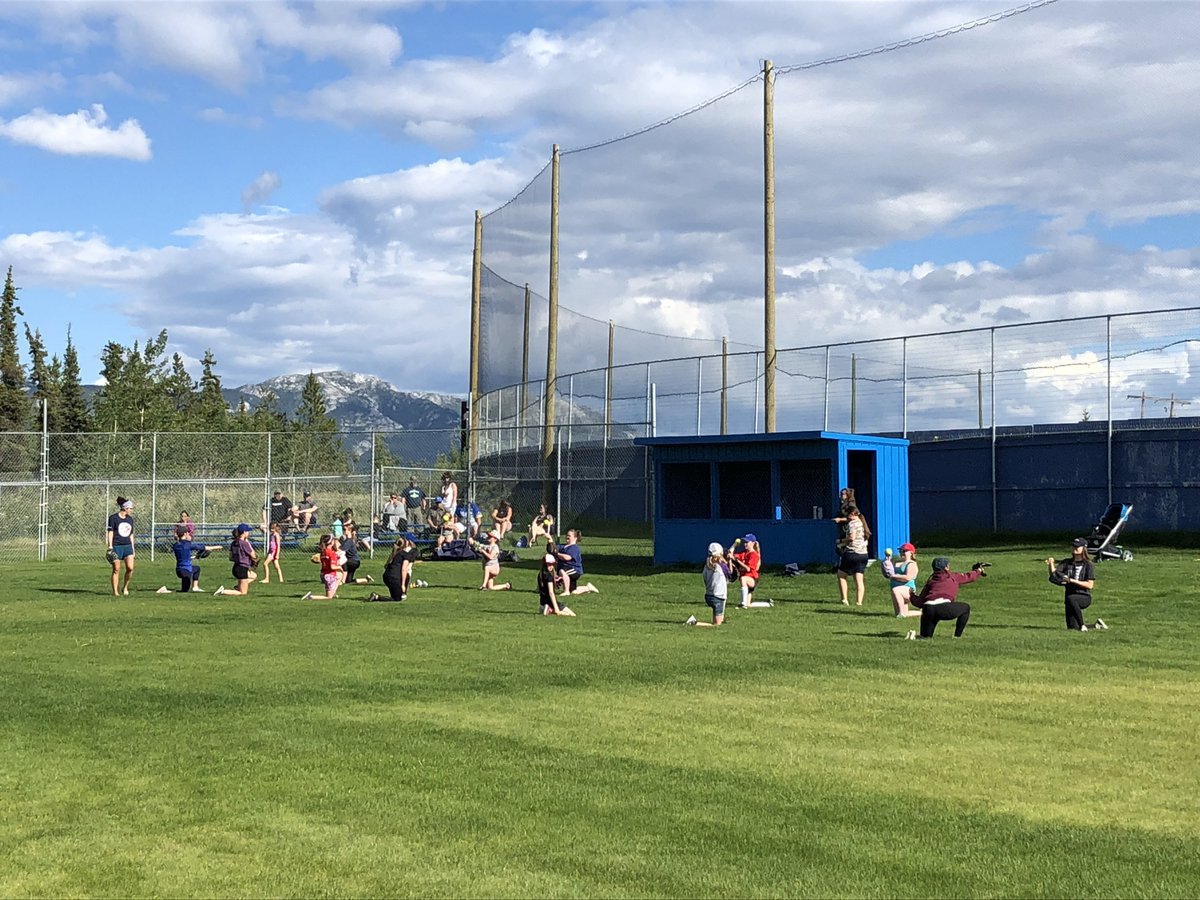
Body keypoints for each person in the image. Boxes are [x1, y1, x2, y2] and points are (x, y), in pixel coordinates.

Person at [907, 556, 986, 639]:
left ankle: (916, 637)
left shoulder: (930, 582)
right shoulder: (953, 577)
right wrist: (978, 570)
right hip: (943, 608)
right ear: (946, 567)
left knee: (925, 638)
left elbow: (919, 603)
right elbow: (969, 577)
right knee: (966, 608)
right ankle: (957, 637)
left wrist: (912, 594)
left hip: (928, 608)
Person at [1047, 538, 1107, 632]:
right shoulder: (1067, 562)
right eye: (1073, 546)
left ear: (1084, 548)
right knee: (1073, 628)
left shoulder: (1088, 565)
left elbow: (1090, 585)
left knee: (1071, 599)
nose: (1074, 548)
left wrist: (1072, 581)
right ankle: (1096, 625)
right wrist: (1051, 564)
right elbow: (1055, 575)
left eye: (1077, 546)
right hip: (1069, 598)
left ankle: (1083, 625)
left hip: (1083, 596)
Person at [163, 526, 222, 594]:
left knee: (197, 569)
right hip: (186, 572)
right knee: (184, 591)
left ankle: (195, 587)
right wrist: (216, 547)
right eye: (187, 533)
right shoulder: (188, 544)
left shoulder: (176, 545)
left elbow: (183, 556)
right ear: (185, 534)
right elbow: (203, 547)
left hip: (179, 570)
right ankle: (165, 591)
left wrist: (194, 557)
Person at [687, 542, 732, 627]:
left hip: (708, 595)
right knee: (717, 625)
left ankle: (720, 620)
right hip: (718, 597)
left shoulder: (706, 566)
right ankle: (694, 622)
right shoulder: (721, 566)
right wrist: (730, 560)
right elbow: (730, 575)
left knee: (721, 621)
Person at [835, 506, 870, 607]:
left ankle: (844, 600)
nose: (847, 517)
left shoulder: (853, 524)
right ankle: (859, 602)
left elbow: (852, 538)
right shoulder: (863, 523)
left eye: (847, 515)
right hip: (863, 554)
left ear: (852, 514)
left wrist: (840, 541)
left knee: (841, 575)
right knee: (859, 579)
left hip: (852, 553)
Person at [372, 532, 418, 601]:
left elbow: (386, 565)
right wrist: (403, 585)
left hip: (386, 576)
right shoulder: (406, 554)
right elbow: (404, 569)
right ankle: (377, 597)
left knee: (396, 595)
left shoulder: (396, 552)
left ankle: (393, 594)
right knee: (398, 598)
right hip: (393, 577)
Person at [215, 523, 258, 596]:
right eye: (247, 531)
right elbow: (253, 555)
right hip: (242, 568)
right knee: (243, 593)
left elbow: (231, 558)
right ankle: (223, 591)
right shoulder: (244, 543)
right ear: (244, 532)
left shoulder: (234, 543)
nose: (248, 533)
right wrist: (248, 543)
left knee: (254, 576)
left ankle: (238, 586)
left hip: (236, 567)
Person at [106, 496, 136, 596]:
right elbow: (110, 532)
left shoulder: (130, 520)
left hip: (127, 546)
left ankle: (125, 587)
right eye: (130, 508)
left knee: (130, 568)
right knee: (116, 569)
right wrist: (110, 546)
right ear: (125, 508)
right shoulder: (113, 518)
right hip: (116, 546)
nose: (131, 510)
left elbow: (131, 534)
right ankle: (115, 592)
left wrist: (133, 548)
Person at [554, 528, 599, 595]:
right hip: (568, 570)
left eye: (569, 536)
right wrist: (549, 540)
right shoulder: (562, 546)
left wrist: (557, 554)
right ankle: (588, 588)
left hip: (575, 570)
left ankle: (566, 591)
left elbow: (567, 558)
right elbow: (553, 548)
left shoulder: (574, 548)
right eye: (567, 535)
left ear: (575, 538)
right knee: (574, 591)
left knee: (562, 571)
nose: (567, 537)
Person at [886, 542, 922, 618]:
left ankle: (901, 613)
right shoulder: (896, 563)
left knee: (896, 590)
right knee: (902, 614)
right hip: (896, 591)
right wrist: (886, 562)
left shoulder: (911, 564)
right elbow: (888, 573)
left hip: (908, 590)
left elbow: (908, 578)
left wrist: (893, 576)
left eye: (904, 551)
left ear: (911, 553)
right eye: (900, 551)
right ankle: (923, 613)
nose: (902, 553)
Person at [304, 534, 343, 600]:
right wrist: (340, 567)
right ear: (331, 543)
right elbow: (332, 567)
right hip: (330, 575)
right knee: (328, 597)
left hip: (323, 574)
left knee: (340, 575)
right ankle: (311, 597)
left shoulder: (323, 552)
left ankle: (333, 593)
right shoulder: (332, 553)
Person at [730, 533, 763, 609]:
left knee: (743, 578)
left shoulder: (754, 555)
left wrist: (737, 561)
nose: (745, 544)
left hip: (752, 579)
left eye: (747, 542)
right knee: (749, 604)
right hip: (747, 578)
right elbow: (731, 554)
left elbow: (748, 569)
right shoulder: (744, 553)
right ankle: (767, 604)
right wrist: (734, 545)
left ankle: (743, 603)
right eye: (744, 542)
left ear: (753, 543)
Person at [537, 552, 574, 616]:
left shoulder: (540, 574)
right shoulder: (549, 576)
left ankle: (547, 609)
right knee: (572, 615)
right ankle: (550, 609)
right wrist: (556, 608)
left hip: (543, 601)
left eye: (552, 564)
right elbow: (551, 593)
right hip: (550, 602)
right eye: (549, 564)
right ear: (545, 564)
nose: (551, 566)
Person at [340, 521, 374, 586]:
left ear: (349, 531)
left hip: (353, 561)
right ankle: (366, 579)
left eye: (344, 530)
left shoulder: (349, 541)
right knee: (349, 581)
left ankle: (342, 581)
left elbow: (341, 551)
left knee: (342, 562)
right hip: (354, 561)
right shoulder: (347, 540)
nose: (343, 531)